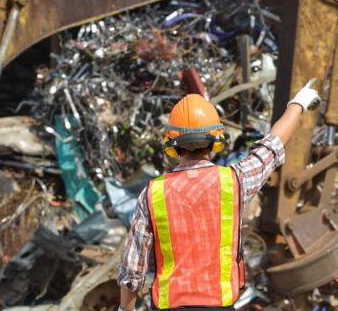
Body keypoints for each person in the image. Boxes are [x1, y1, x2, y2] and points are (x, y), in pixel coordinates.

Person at [117, 80, 320, 311]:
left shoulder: (152, 194)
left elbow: (133, 269)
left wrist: (126, 309)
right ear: (215, 141)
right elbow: (272, 145)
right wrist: (298, 103)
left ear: (172, 144)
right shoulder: (234, 181)